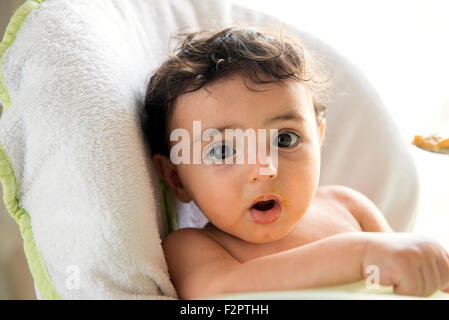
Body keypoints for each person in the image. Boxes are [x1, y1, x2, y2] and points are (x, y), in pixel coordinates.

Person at [140, 26, 449, 299]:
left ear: (318, 135)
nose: (265, 169)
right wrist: (361, 255)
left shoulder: (349, 206)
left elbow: (408, 272)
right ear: (177, 178)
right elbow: (217, 294)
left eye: (284, 139)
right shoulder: (192, 247)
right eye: (223, 151)